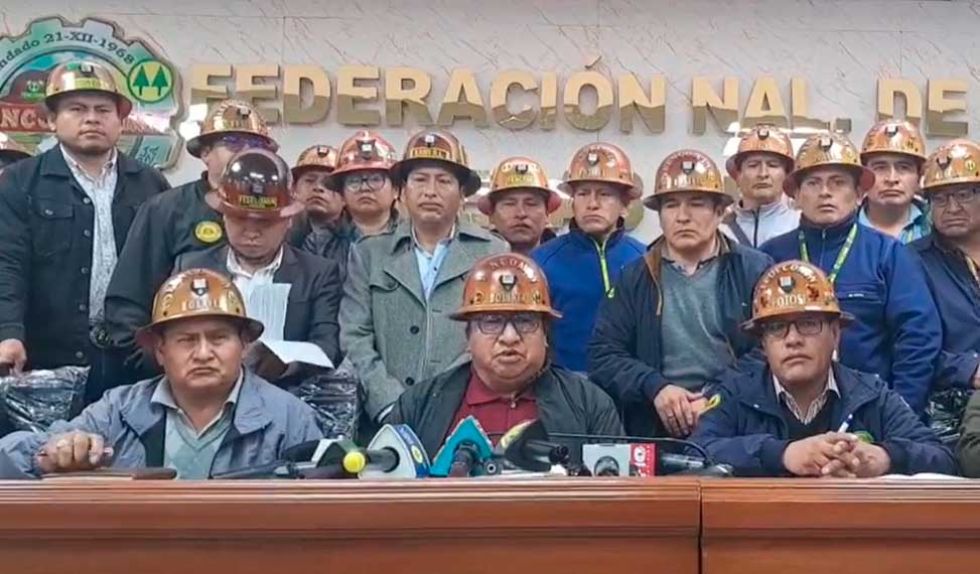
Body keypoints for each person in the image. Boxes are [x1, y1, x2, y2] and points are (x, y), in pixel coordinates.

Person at [0, 268, 322, 478]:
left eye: (218, 338)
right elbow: (9, 457)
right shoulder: (118, 410)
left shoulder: (289, 418)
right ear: (160, 351)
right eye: (186, 340)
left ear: (244, 345)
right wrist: (49, 456)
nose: (203, 353)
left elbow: (323, 508)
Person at [691, 260, 957, 477]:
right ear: (763, 344)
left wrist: (885, 457)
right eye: (776, 328)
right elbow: (694, 454)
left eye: (808, 324)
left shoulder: (871, 395)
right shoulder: (736, 394)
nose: (792, 339)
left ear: (836, 334)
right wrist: (782, 454)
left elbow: (943, 458)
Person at [0, 60, 169, 396]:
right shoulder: (20, 182)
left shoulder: (151, 184)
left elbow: (168, 269)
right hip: (47, 354)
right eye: (76, 109)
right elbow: (7, 263)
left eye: (103, 110)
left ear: (120, 121)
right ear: (52, 120)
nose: (92, 118)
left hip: (136, 356)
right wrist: (8, 333)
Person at [589, 149, 772, 437]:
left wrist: (716, 395)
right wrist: (655, 387)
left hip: (740, 420)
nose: (683, 217)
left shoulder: (754, 270)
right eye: (671, 205)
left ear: (719, 212)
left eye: (696, 204)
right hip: (655, 423)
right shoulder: (634, 277)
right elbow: (604, 354)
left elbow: (772, 349)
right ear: (660, 215)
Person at [761, 132, 942, 417]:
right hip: (788, 411)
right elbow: (754, 342)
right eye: (813, 183)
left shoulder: (889, 254)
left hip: (871, 409)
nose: (825, 192)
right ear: (795, 194)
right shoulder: (770, 256)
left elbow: (917, 338)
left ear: (859, 193)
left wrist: (899, 412)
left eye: (838, 182)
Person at [340, 130, 507, 431]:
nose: (430, 191)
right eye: (419, 180)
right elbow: (355, 336)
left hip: (465, 415)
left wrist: (446, 402)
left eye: (443, 181)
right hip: (381, 420)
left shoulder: (492, 253)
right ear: (402, 191)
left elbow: (493, 335)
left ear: (462, 193)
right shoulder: (369, 254)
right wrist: (388, 402)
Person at [104, 99, 276, 389]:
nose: (245, 152)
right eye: (233, 143)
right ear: (205, 152)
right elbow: (128, 303)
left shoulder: (282, 212)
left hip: (266, 380)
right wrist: (158, 363)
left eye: (255, 145)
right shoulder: (166, 209)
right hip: (178, 377)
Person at [389, 253, 623, 460]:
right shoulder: (418, 405)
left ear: (545, 334)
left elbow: (616, 489)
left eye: (525, 321)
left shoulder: (590, 404)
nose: (509, 337)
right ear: (468, 336)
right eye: (492, 321)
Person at [175, 148, 342, 382]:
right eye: (240, 219)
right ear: (223, 216)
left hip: (287, 393)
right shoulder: (191, 269)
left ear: (288, 220)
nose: (252, 232)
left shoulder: (318, 273)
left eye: (265, 222)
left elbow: (327, 346)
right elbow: (174, 338)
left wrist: (284, 362)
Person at [531, 142, 645, 372]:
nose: (592, 204)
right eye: (583, 194)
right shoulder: (541, 261)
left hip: (632, 386)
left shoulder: (646, 258)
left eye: (604, 194)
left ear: (625, 206)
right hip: (563, 386)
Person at [911, 140, 980, 435]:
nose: (952, 208)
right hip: (951, 410)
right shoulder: (911, 261)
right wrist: (968, 369)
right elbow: (909, 347)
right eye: (939, 198)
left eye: (963, 194)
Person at [304, 131, 401, 272]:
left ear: (396, 190)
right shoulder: (319, 243)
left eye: (375, 179)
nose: (365, 188)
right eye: (354, 181)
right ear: (342, 195)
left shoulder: (412, 239)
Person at [723, 124, 799, 247]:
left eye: (773, 165)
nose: (763, 174)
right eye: (753, 165)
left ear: (787, 175)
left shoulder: (801, 227)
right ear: (738, 175)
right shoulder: (718, 230)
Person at [859, 119, 931, 243]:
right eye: (880, 168)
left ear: (919, 176)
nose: (892, 179)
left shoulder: (937, 228)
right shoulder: (841, 229)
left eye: (903, 168)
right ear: (864, 176)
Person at [478, 156, 561, 254]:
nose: (521, 213)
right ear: (491, 215)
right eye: (510, 204)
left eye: (531, 204)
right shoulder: (472, 260)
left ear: (547, 214)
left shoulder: (566, 260)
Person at [290, 144, 341, 245]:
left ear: (345, 196)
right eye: (309, 180)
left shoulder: (358, 240)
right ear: (294, 189)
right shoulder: (278, 234)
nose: (318, 187)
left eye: (328, 183)